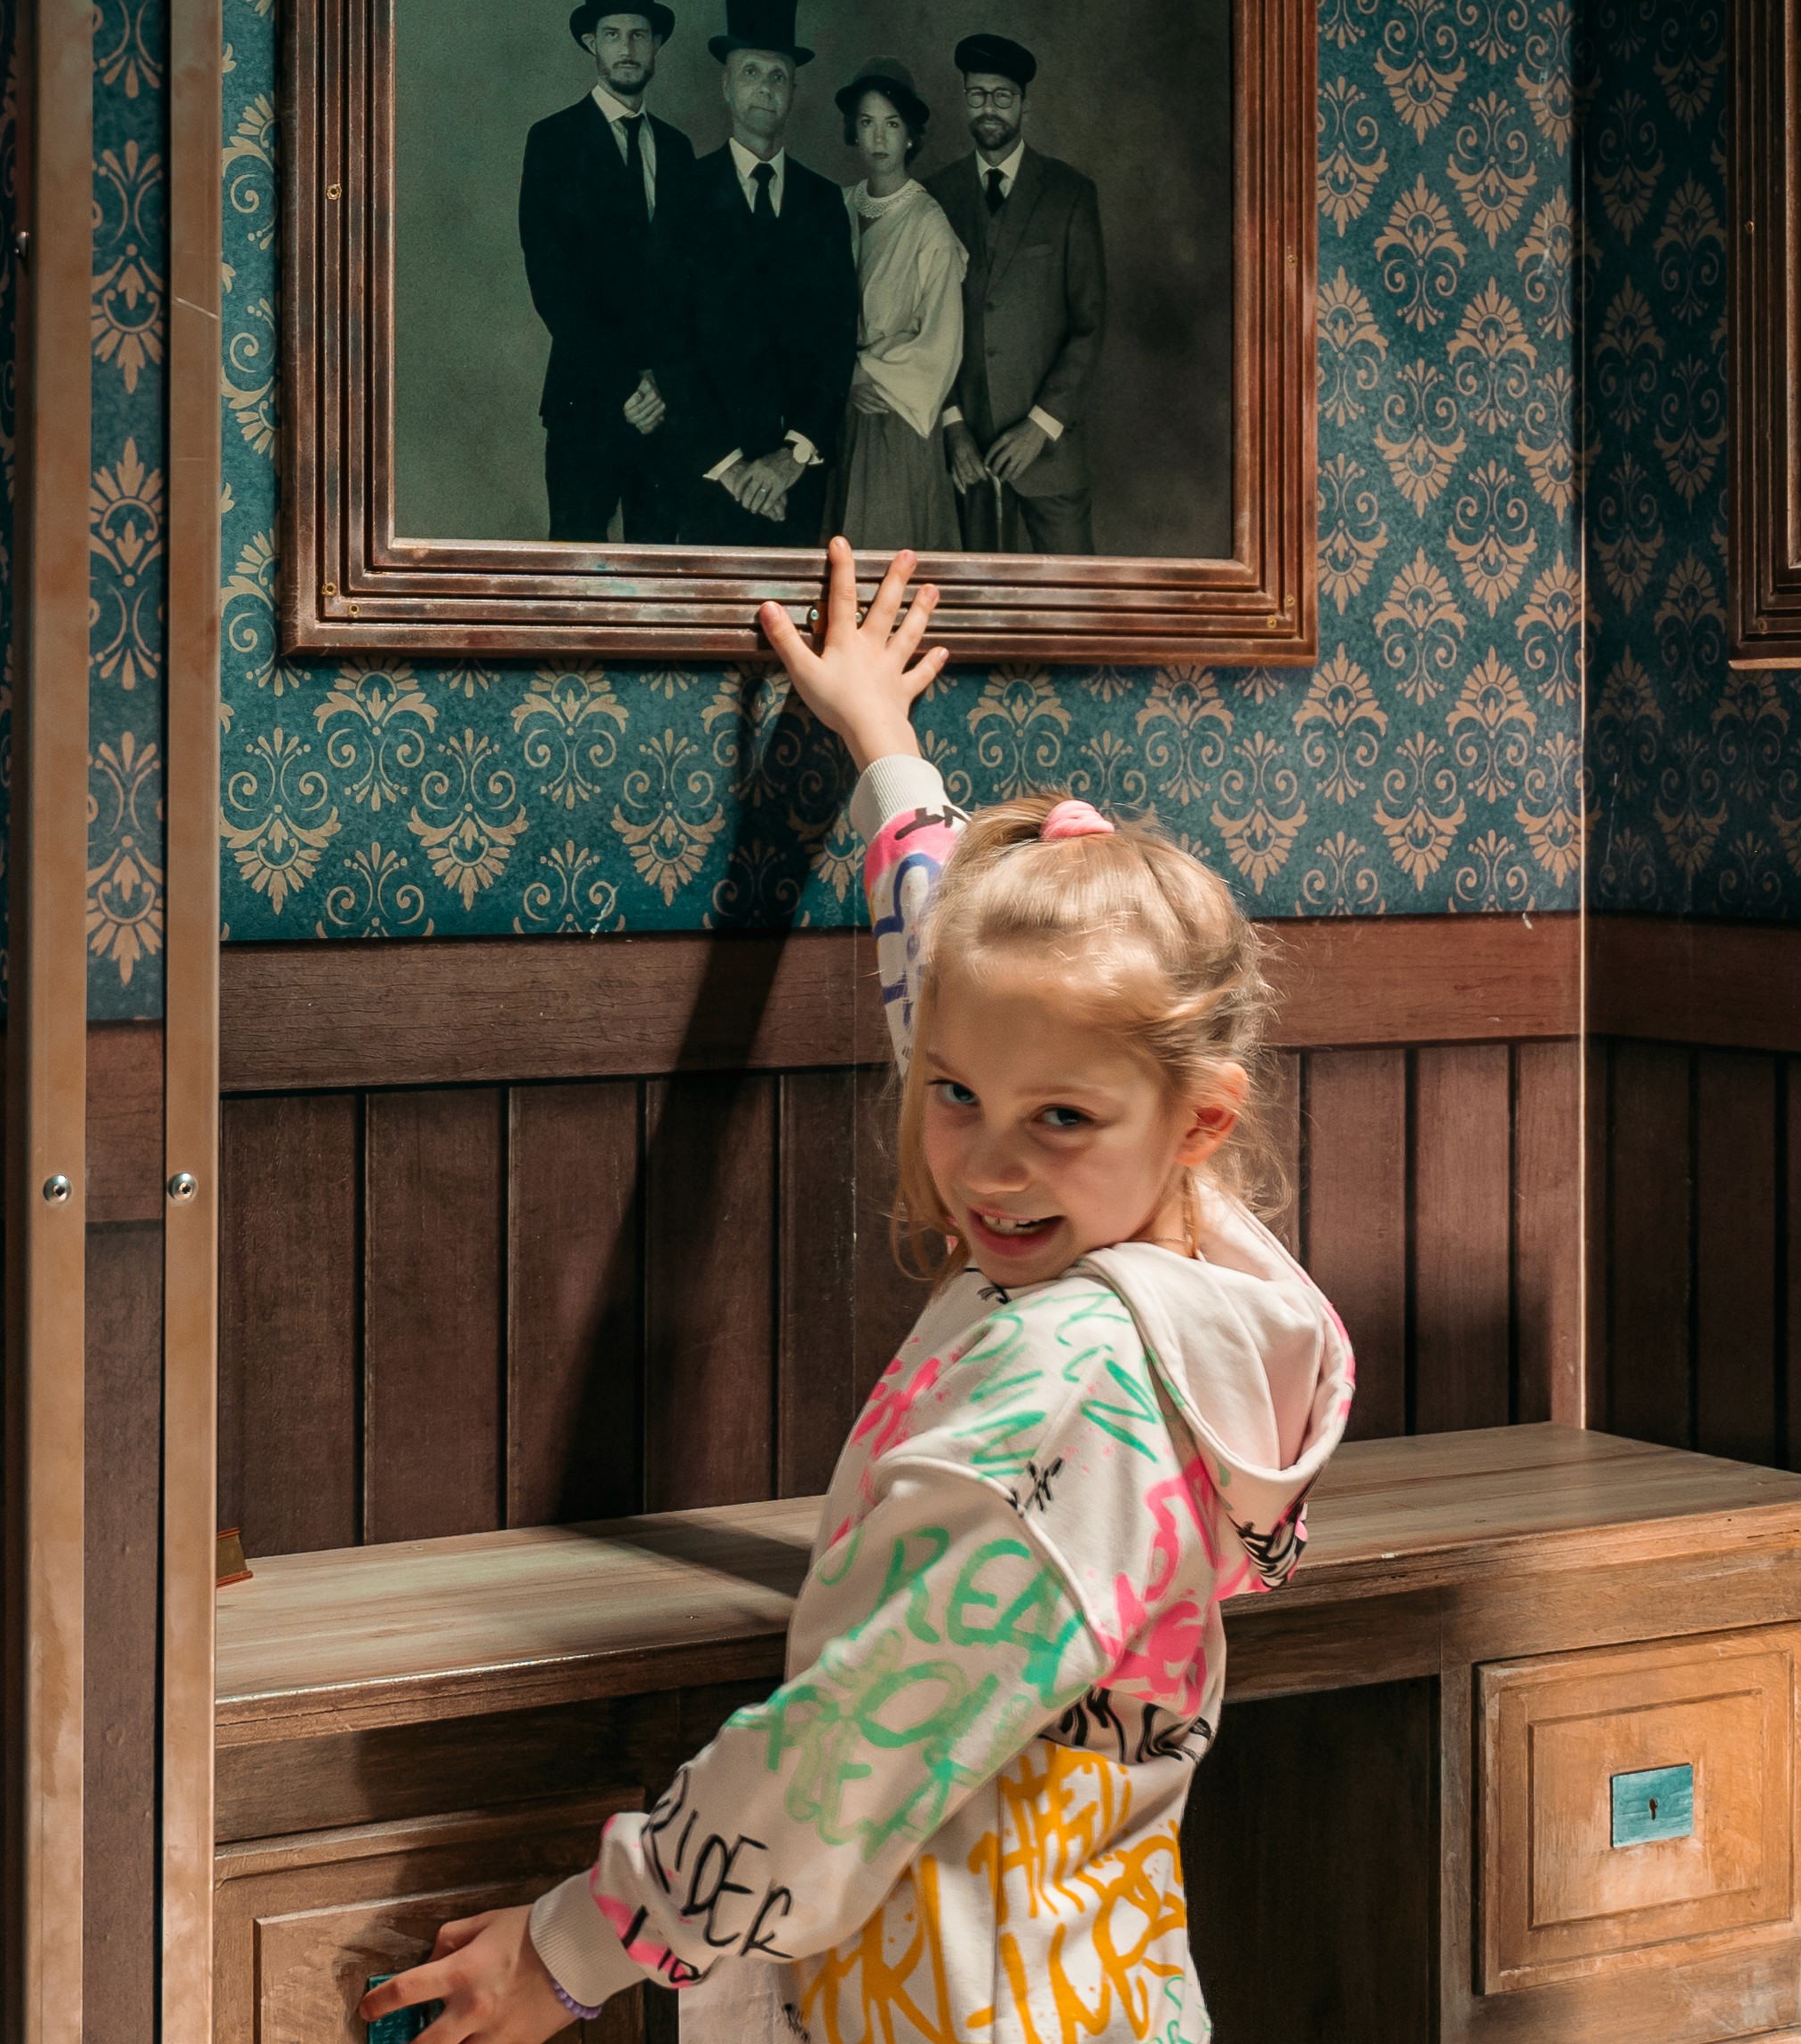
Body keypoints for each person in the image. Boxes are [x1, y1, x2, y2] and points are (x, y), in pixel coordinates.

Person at [370, 542, 1352, 2040]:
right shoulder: (1170, 1269)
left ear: (1199, 1119)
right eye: (956, 1097)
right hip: (1084, 1974)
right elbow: (948, 994)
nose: (988, 1167)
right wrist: (885, 748)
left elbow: (849, 1750)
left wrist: (573, 1946)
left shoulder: (1078, 1388)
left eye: (1058, 1119)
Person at [673, 0, 853, 547]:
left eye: (778, 76)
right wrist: (730, 468)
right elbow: (670, 339)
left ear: (794, 91)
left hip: (798, 478)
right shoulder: (684, 193)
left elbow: (837, 339)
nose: (765, 88)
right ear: (726, 85)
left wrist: (793, 455)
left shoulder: (824, 202)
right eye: (750, 71)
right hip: (710, 477)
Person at [519, 0, 689, 541]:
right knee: (573, 565)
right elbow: (553, 283)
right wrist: (626, 386)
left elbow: (690, 284)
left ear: (657, 45)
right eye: (613, 34)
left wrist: (663, 384)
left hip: (666, 406)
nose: (627, 48)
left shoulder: (678, 149)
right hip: (586, 398)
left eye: (639, 34)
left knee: (660, 570)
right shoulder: (553, 141)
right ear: (591, 43)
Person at [926, 29, 1111, 553]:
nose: (989, 108)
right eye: (977, 94)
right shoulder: (935, 195)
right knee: (976, 599)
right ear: (964, 99)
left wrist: (1040, 425)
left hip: (1051, 454)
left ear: (1025, 104)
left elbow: (1090, 326)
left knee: (1073, 597)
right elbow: (926, 325)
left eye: (1003, 96)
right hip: (968, 458)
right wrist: (953, 426)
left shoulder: (1070, 193)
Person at [829, 59, 971, 557]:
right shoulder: (837, 206)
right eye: (867, 122)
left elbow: (941, 342)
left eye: (892, 124)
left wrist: (861, 371)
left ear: (910, 136)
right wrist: (843, 375)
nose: (878, 138)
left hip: (897, 417)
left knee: (886, 557)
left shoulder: (928, 221)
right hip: (842, 412)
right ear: (854, 130)